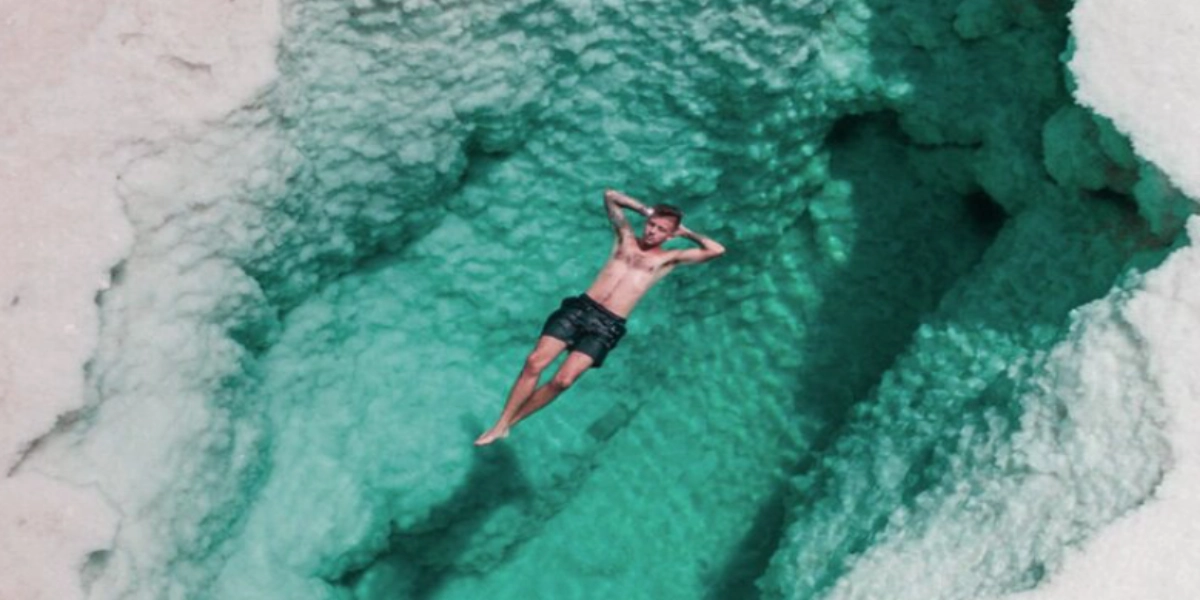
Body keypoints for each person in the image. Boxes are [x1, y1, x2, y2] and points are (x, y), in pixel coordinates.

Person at [474, 189, 725, 446]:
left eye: (661, 229)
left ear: (670, 235)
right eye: (651, 224)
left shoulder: (669, 259)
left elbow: (716, 249)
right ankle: (500, 423)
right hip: (581, 308)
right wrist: (646, 210)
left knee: (563, 381)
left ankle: (509, 424)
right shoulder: (624, 238)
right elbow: (611, 196)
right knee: (534, 362)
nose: (652, 231)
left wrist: (687, 232)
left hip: (608, 326)